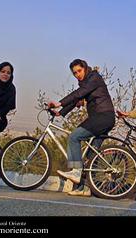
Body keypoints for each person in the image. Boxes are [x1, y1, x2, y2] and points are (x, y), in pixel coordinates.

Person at [48, 59, 115, 188]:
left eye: (79, 71)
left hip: (103, 117)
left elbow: (79, 93)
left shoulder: (94, 77)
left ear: (85, 68)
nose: (77, 74)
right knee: (90, 158)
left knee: (74, 137)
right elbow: (77, 98)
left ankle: (76, 171)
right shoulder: (86, 83)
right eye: (74, 73)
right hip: (102, 118)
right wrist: (60, 112)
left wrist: (59, 102)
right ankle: (84, 188)